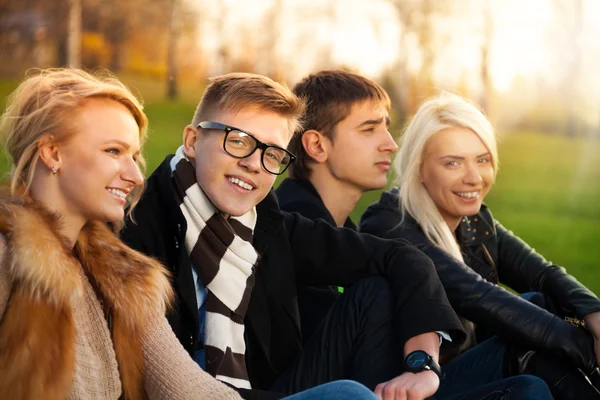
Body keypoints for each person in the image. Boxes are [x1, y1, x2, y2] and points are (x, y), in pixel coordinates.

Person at [0, 68, 385, 400]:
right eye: (113, 151)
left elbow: (190, 389)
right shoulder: (8, 257)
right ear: (52, 153)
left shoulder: (125, 274)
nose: (135, 175)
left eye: (134, 156)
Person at [120, 72, 469, 400]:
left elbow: (402, 258)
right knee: (350, 396)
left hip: (274, 390)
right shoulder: (139, 225)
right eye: (238, 141)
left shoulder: (267, 227)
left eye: (271, 153)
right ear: (193, 141)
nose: (254, 164)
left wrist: (422, 363)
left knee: (374, 293)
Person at [277, 69, 556, 400]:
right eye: (369, 130)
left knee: (530, 367)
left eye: (386, 127)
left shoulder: (344, 232)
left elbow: (544, 275)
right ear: (316, 145)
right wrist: (420, 363)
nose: (391, 144)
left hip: (384, 383)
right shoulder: (289, 224)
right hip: (327, 391)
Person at [359, 92, 600, 399]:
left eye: (482, 160)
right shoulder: (389, 223)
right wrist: (586, 350)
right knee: (530, 375)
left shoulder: (475, 221)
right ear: (419, 169)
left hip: (463, 368)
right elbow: (477, 295)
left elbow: (544, 274)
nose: (473, 177)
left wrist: (595, 312)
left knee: (540, 301)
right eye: (453, 163)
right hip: (411, 384)